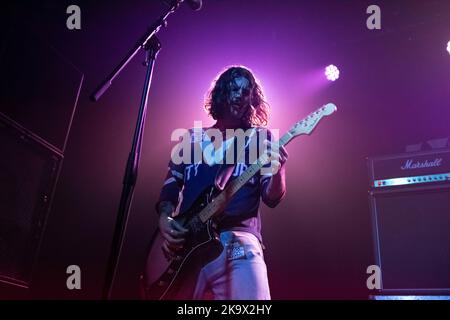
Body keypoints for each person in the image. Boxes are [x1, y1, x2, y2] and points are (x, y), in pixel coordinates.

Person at [155, 66, 288, 299]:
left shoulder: (259, 138)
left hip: (236, 242)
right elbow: (170, 187)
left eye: (246, 92)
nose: (239, 95)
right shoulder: (191, 138)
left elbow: (272, 197)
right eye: (233, 89)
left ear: (252, 98)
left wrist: (279, 170)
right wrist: (165, 219)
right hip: (187, 246)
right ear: (220, 94)